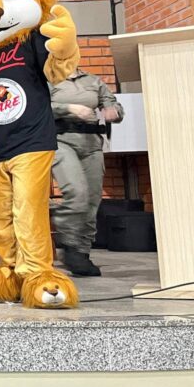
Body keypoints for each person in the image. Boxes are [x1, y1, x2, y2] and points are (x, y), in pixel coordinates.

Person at [51, 70, 124, 276]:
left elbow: (113, 104)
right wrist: (68, 108)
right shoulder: (48, 78)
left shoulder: (93, 80)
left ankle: (80, 254)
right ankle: (67, 240)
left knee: (92, 200)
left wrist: (113, 111)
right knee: (77, 191)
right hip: (61, 141)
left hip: (91, 144)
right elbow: (37, 107)